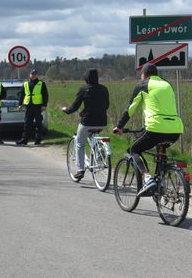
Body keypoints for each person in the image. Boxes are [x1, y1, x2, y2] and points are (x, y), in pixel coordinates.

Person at [113, 63, 184, 196]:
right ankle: (161, 184)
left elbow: (130, 109)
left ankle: (147, 178)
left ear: (144, 75)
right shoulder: (167, 85)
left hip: (155, 128)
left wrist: (119, 126)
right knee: (160, 152)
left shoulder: (143, 85)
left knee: (134, 150)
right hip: (176, 129)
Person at [62, 69, 110, 179]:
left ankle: (80, 170)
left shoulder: (84, 89)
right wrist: (86, 110)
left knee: (79, 143)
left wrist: (66, 110)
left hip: (87, 122)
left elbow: (74, 106)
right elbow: (106, 105)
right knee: (93, 137)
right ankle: (99, 153)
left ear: (86, 79)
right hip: (102, 122)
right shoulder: (104, 89)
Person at [16, 69, 48, 145]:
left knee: (38, 123)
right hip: (29, 106)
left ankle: (38, 140)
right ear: (29, 75)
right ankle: (24, 140)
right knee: (27, 124)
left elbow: (45, 95)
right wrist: (20, 104)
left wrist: (44, 105)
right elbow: (22, 95)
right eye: (32, 74)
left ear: (37, 75)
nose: (33, 75)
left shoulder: (41, 84)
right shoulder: (26, 84)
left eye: (34, 74)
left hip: (38, 106)